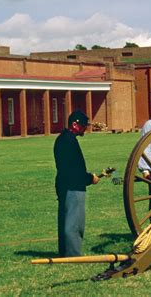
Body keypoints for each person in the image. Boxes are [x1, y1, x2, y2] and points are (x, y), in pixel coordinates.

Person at [54, 110, 99, 257]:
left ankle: (64, 252)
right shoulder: (69, 141)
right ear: (75, 124)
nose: (85, 128)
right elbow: (74, 170)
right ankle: (73, 254)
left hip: (64, 184)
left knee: (65, 219)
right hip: (73, 187)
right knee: (74, 223)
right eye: (84, 125)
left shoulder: (62, 139)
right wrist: (90, 178)